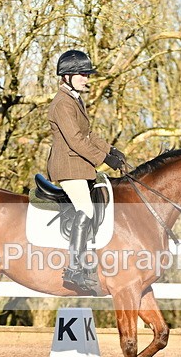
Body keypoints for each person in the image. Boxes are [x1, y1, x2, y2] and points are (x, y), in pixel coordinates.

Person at [47, 49, 126, 293]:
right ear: (67, 75)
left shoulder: (74, 100)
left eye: (87, 74)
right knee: (85, 208)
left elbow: (89, 134)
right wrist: (104, 160)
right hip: (68, 166)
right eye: (82, 74)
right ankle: (74, 269)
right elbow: (76, 141)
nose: (87, 78)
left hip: (80, 164)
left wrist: (111, 149)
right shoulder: (62, 104)